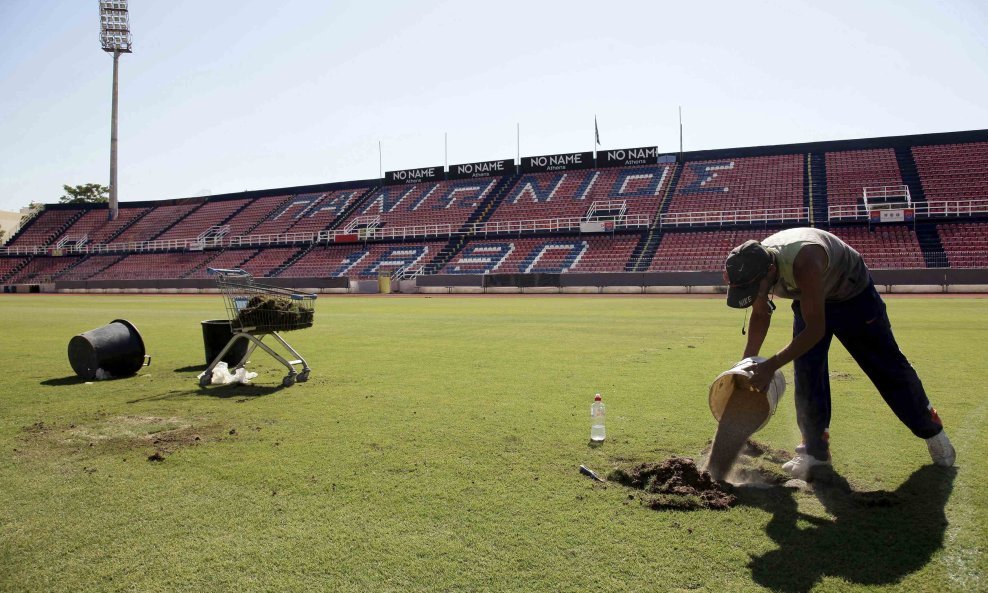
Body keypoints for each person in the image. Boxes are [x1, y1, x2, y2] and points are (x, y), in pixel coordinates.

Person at [723, 227, 955, 479]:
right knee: (807, 373)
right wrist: (746, 363)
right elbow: (760, 313)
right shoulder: (755, 268)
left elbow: (815, 330)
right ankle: (814, 451)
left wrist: (770, 365)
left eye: (755, 287)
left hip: (853, 296)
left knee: (887, 366)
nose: (754, 292)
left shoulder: (805, 259)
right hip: (809, 298)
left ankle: (932, 431)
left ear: (770, 271)